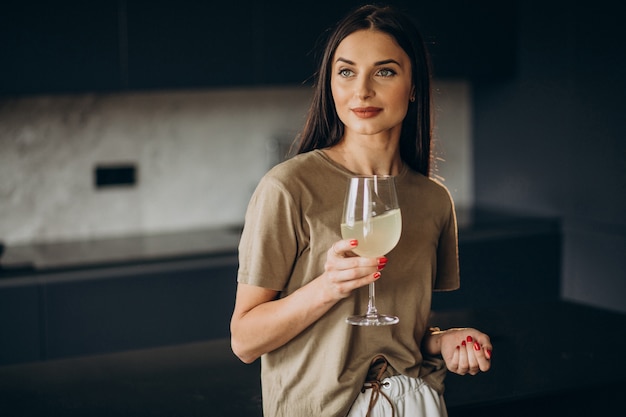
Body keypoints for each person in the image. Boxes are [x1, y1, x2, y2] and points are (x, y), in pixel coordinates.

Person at [230, 4, 493, 416]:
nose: (362, 90)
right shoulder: (287, 187)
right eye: (347, 71)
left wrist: (442, 339)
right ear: (330, 84)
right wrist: (327, 287)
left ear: (413, 86)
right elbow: (244, 341)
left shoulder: (433, 199)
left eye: (384, 71)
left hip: (415, 403)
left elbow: (403, 324)